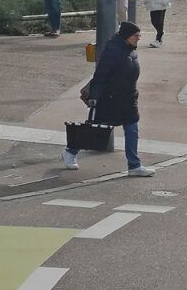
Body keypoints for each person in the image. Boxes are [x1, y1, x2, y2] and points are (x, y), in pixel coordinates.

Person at [63, 21, 154, 177]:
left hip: (128, 100)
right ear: (126, 36)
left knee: (132, 130)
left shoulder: (131, 50)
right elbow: (100, 75)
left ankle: (134, 165)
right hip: (110, 100)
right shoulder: (113, 51)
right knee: (94, 130)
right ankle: (70, 152)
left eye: (139, 35)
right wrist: (94, 97)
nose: (138, 38)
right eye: (135, 36)